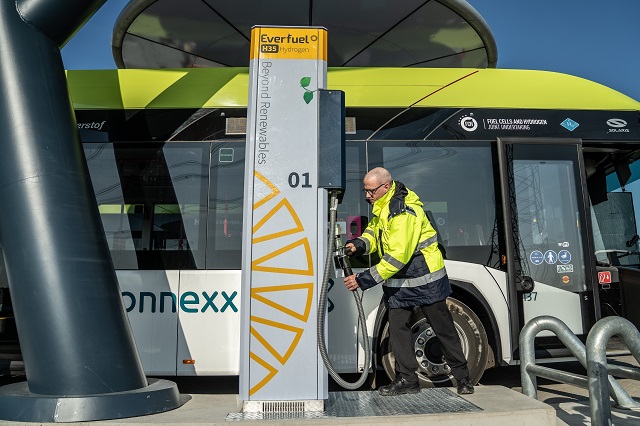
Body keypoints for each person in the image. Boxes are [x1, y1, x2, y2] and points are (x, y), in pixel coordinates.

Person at [343, 167, 474, 396]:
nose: (367, 196)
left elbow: (397, 257)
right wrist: (359, 244)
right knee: (398, 332)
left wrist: (362, 280)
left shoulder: (403, 211)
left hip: (426, 279)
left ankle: (463, 378)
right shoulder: (382, 206)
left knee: (443, 329)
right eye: (365, 191)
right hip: (399, 283)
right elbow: (374, 233)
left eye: (371, 191)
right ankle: (407, 381)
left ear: (385, 187)